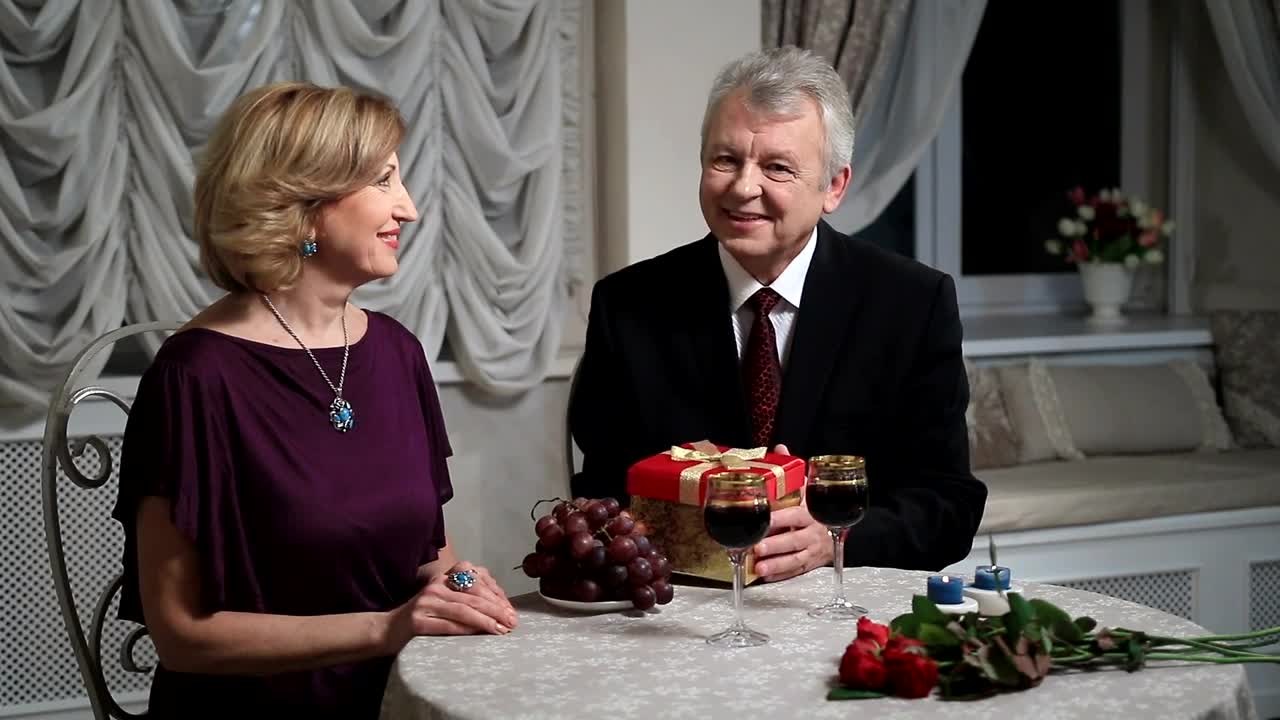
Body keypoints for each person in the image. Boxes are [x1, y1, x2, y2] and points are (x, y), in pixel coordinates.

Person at [111, 82, 518, 719]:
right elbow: (181, 635)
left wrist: (461, 587)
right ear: (303, 203)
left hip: (395, 700)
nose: (407, 208)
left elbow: (430, 554)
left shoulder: (397, 352)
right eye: (384, 181)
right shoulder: (195, 377)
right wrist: (387, 628)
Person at [568, 47, 987, 582]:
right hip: (682, 615)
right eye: (725, 160)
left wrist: (837, 537)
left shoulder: (911, 304)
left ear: (834, 186)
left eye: (777, 167)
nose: (744, 187)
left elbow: (948, 505)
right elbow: (602, 493)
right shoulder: (626, 305)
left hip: (848, 605)